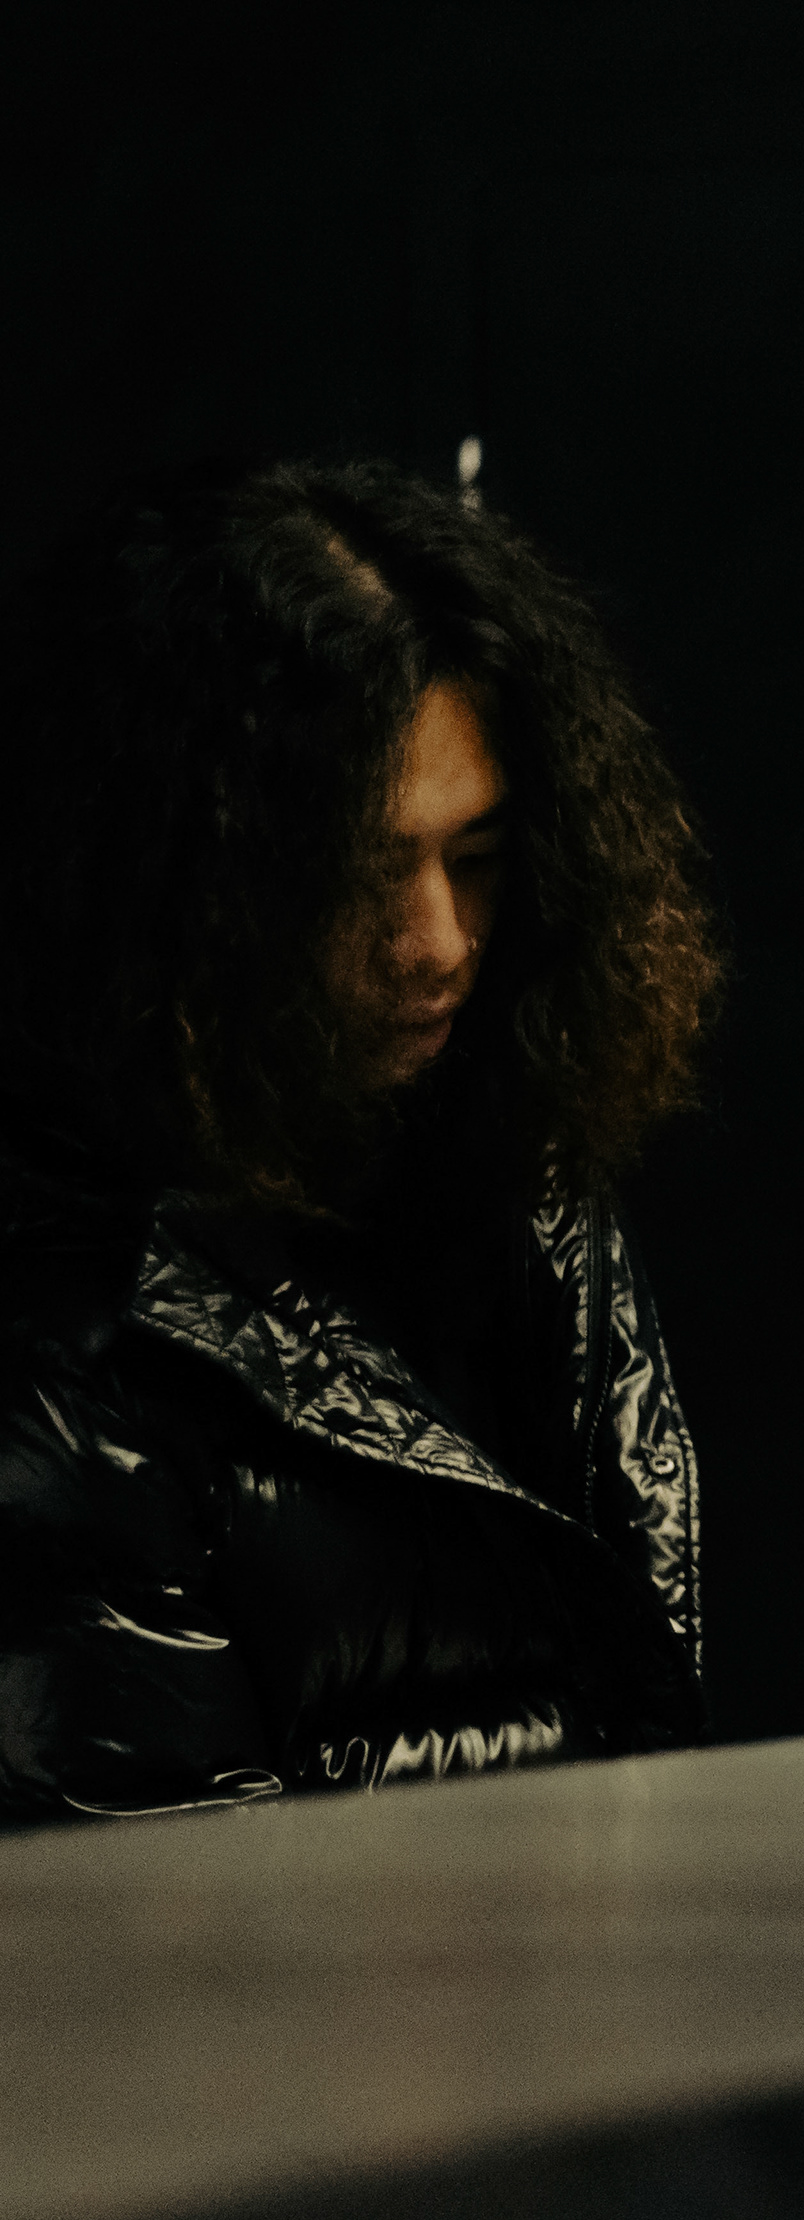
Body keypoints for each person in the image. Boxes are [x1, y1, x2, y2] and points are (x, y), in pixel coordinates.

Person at [0, 458, 724, 1819]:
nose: (440, 944)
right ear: (180, 886)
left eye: (479, 857)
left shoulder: (524, 1175)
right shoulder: (62, 1347)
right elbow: (164, 1920)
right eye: (359, 874)